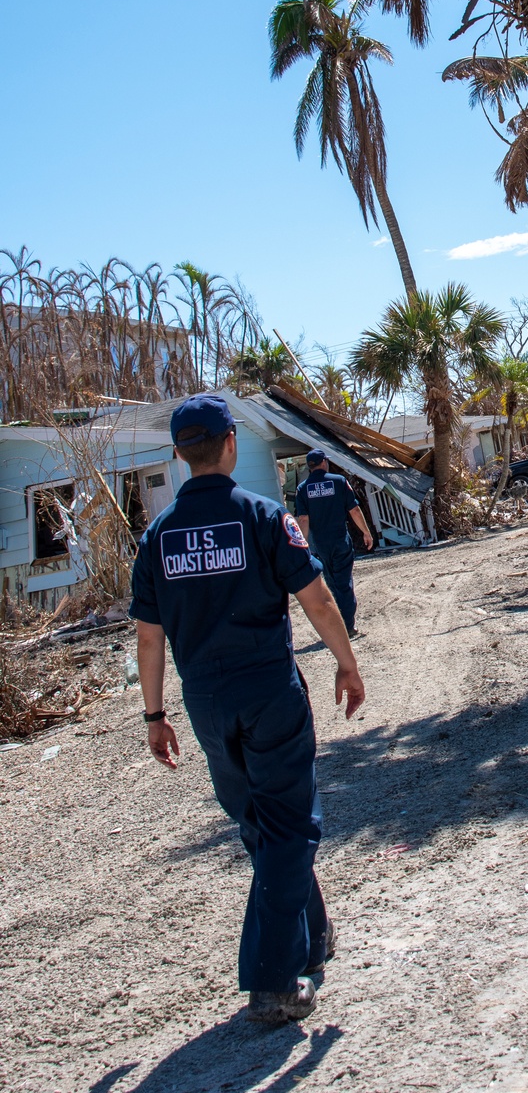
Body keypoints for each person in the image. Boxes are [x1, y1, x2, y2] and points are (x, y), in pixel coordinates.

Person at [129, 394, 365, 1025]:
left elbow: (149, 638)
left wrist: (154, 717)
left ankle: (313, 939)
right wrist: (346, 661)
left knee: (263, 827)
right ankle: (272, 980)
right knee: (288, 827)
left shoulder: (156, 538)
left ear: (180, 454)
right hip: (267, 691)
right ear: (230, 443)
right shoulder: (263, 517)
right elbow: (315, 599)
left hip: (205, 703)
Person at [294, 450, 373, 638]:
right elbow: (353, 510)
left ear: (309, 466)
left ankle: (337, 626)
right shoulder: (338, 481)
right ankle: (348, 627)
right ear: (323, 463)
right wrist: (366, 532)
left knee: (331, 583)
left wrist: (303, 544)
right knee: (344, 582)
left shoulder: (303, 488)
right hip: (340, 539)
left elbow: (303, 519)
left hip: (321, 543)